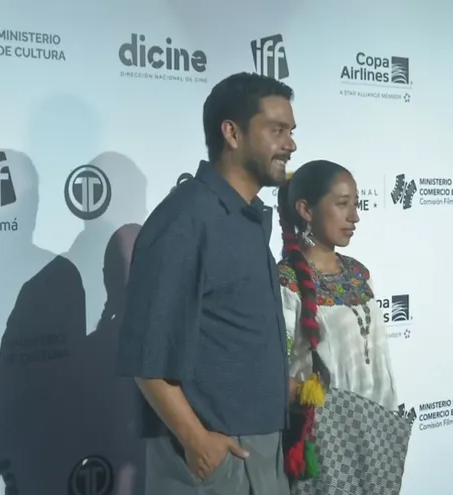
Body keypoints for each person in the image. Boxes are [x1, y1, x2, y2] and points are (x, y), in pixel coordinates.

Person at [116, 72, 297, 495]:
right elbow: (146, 358)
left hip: (262, 450)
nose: (290, 144)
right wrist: (197, 441)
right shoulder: (185, 221)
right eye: (277, 130)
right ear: (232, 132)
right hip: (212, 459)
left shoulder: (245, 217)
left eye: (290, 132)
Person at [276, 160, 400, 488]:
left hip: (378, 434)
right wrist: (306, 394)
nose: (354, 216)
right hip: (325, 441)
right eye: (343, 205)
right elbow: (272, 371)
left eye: (356, 205)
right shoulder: (286, 281)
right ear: (306, 209)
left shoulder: (359, 273)